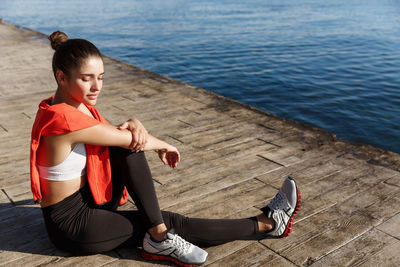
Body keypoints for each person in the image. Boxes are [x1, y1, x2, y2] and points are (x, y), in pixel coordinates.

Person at [29, 31, 301, 267]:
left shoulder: (67, 106)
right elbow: (129, 139)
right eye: (87, 79)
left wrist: (134, 124)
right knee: (170, 221)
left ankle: (157, 231)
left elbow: (117, 137)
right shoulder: (63, 119)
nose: (97, 87)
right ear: (61, 77)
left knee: (128, 147)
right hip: (74, 225)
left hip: (88, 199)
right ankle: (267, 223)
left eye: (101, 77)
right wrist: (164, 144)